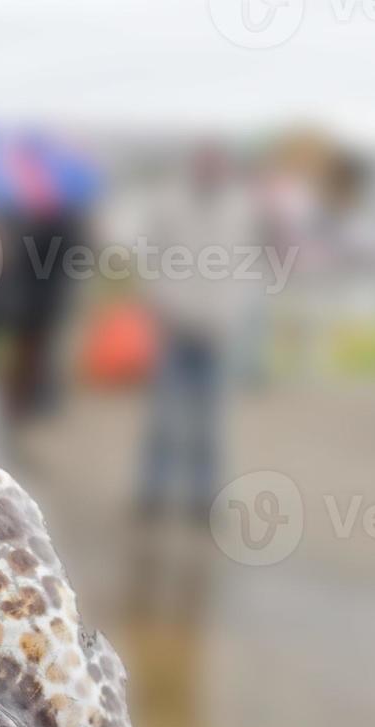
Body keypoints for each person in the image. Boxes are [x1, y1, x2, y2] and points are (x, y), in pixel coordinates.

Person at [135, 143, 256, 521]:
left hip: (216, 330)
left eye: (216, 164)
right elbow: (146, 248)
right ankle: (153, 493)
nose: (210, 169)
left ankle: (202, 500)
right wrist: (160, 300)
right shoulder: (169, 202)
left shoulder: (242, 208)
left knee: (209, 422)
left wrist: (232, 312)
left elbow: (247, 262)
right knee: (164, 417)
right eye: (204, 163)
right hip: (175, 326)